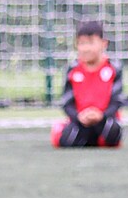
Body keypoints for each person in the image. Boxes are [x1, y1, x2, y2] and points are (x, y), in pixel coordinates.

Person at [52, 20, 123, 149]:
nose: (85, 48)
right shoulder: (72, 70)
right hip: (80, 121)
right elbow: (67, 103)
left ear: (104, 43)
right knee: (66, 140)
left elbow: (117, 101)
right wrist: (79, 116)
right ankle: (64, 130)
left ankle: (95, 139)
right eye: (82, 43)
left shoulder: (113, 68)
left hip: (104, 120)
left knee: (113, 133)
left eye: (90, 43)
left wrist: (101, 115)